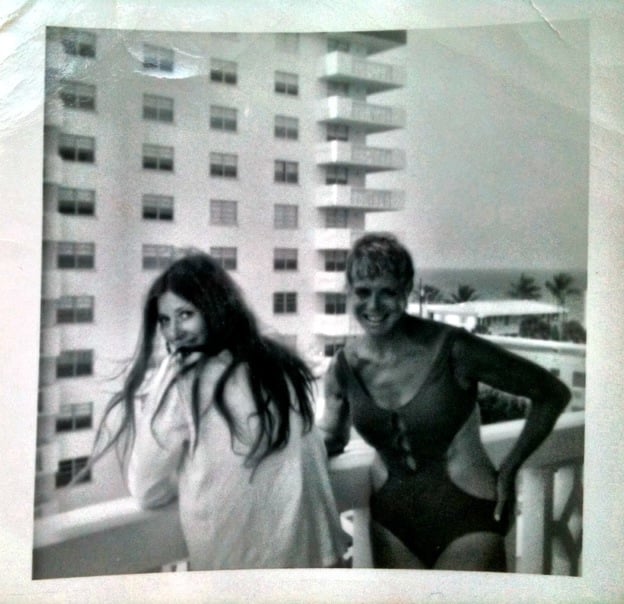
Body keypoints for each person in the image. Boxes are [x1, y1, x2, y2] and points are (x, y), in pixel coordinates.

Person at [317, 233, 571, 571]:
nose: (374, 306)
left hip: (466, 517)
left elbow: (551, 392)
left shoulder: (453, 349)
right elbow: (331, 437)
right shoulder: (344, 368)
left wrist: (510, 468)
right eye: (363, 292)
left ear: (406, 291)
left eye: (387, 293)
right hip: (390, 523)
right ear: (349, 292)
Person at [90, 252, 346, 570]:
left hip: (247, 576)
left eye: (186, 314)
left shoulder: (182, 377)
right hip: (321, 558)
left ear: (215, 308)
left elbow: (147, 489)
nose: (174, 333)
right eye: (165, 320)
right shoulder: (277, 362)